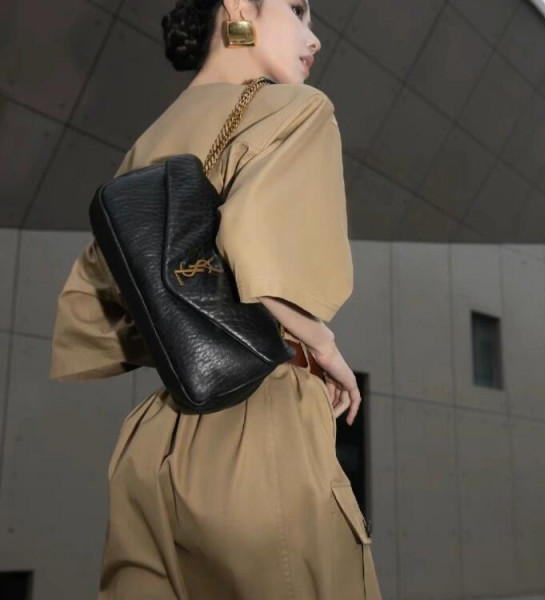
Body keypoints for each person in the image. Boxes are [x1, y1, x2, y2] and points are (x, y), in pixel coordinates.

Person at [48, 0, 383, 598]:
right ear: (239, 8)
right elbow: (252, 243)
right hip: (261, 432)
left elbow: (94, 309)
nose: (314, 38)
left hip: (154, 445)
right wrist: (323, 344)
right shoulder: (296, 109)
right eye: (297, 9)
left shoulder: (144, 147)